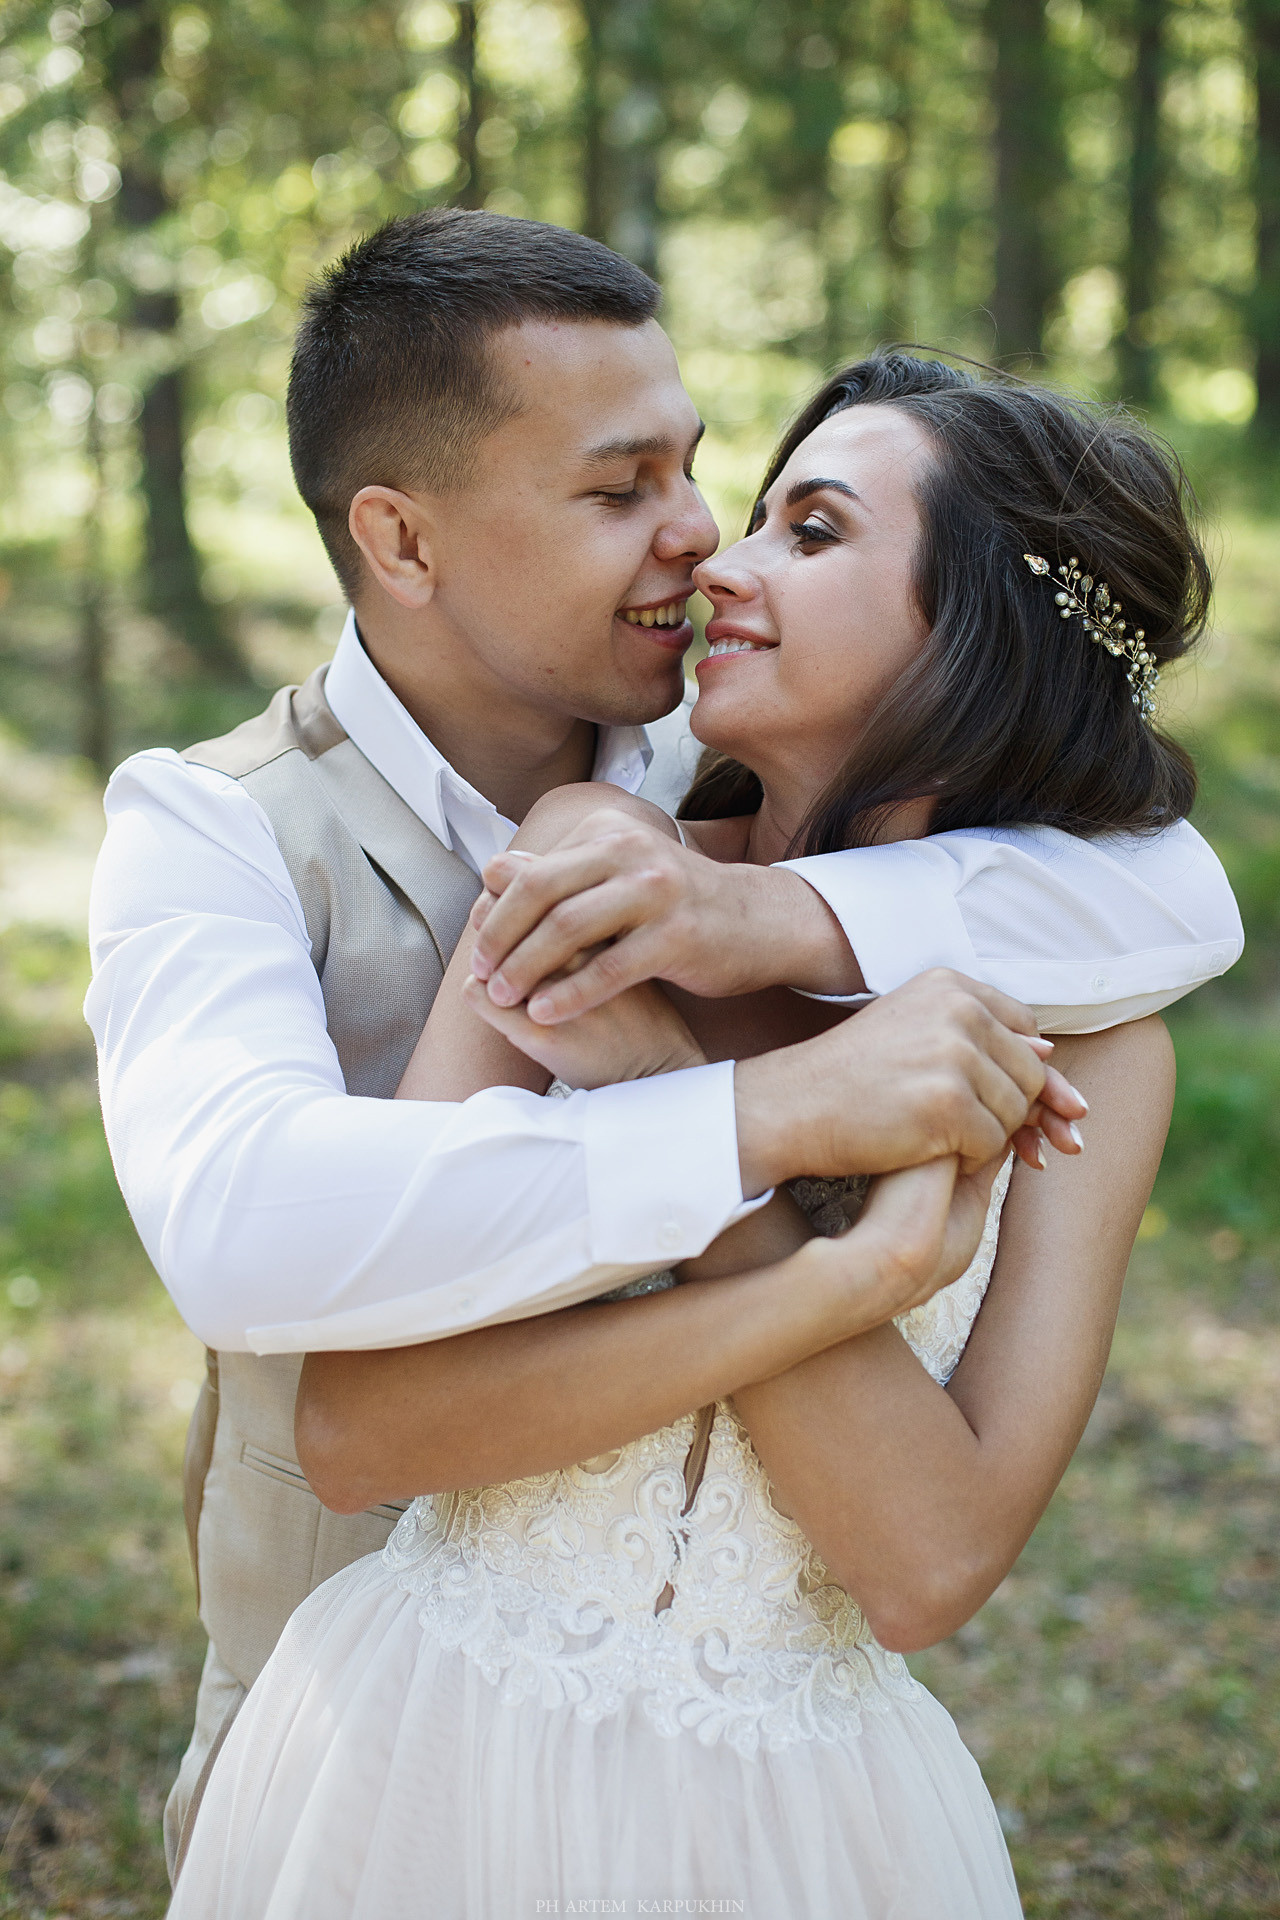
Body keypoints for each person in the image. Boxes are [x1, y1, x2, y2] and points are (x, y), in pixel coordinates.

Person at [84, 211, 1238, 1873]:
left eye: (778, 516)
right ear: (402, 540)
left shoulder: (1065, 1023)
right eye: (623, 491)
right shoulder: (361, 844)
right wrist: (801, 1187)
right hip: (392, 1744)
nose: (711, 551)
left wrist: (728, 990)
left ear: (980, 638)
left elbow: (929, 1564)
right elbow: (328, 1382)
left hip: (800, 1811)